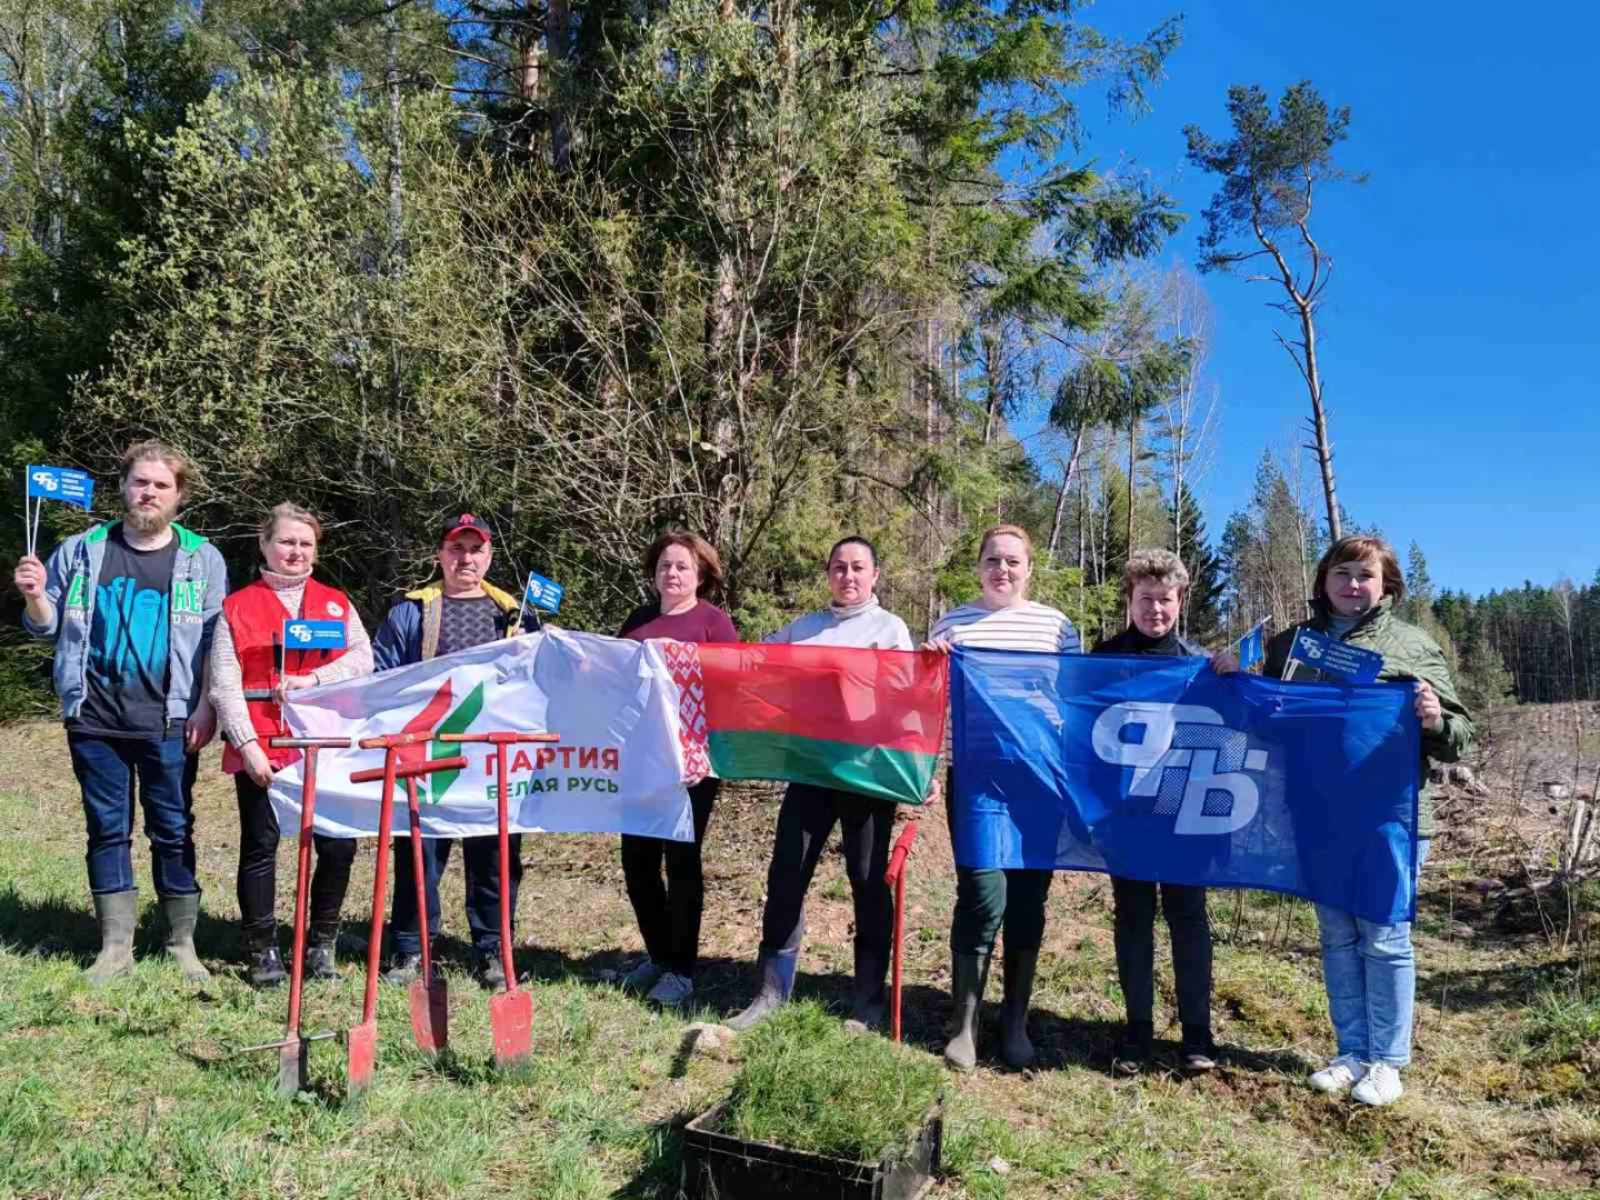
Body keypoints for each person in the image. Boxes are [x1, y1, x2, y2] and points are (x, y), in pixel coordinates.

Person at [1263, 535, 1473, 1107]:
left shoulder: (1412, 645)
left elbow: (1460, 738)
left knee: (1384, 937)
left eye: (1365, 576)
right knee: (1337, 937)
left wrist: (1434, 720)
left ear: (1387, 586)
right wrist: (1240, 680)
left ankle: (1388, 1062)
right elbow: (1264, 724)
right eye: (1342, 574)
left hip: (1392, 817)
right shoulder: (1290, 647)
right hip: (1320, 816)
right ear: (1323, 581)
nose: (1353, 585)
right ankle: (1351, 1052)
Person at [13, 440, 226, 986]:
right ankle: (115, 949)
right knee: (107, 829)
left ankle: (182, 944)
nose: (148, 492)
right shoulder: (82, 550)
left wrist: (206, 708)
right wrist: (36, 595)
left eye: (161, 484)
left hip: (171, 720)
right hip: (94, 717)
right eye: (140, 481)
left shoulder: (202, 558)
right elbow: (45, 624)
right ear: (124, 487)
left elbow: (214, 644)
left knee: (173, 830)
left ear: (179, 496)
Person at [727, 536, 916, 1032]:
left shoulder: (890, 630)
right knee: (787, 873)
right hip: (809, 771)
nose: (848, 576)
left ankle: (868, 1001)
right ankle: (770, 992)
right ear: (828, 574)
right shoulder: (804, 629)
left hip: (866, 775)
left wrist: (918, 774)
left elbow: (908, 702)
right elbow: (753, 664)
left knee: (868, 881)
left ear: (875, 575)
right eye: (838, 567)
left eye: (858, 568)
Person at [927, 523, 1081, 1071]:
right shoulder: (953, 624)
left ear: (1029, 568)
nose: (1003, 570)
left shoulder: (1056, 626)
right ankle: (964, 1023)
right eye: (993, 560)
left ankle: (1014, 1021)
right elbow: (931, 703)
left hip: (1040, 780)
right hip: (976, 777)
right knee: (981, 894)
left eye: (1014, 561)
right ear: (979, 566)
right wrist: (930, 661)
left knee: (1027, 900)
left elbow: (1079, 702)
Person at [209, 503, 374, 986]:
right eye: (286, 541)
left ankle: (321, 945)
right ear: (264, 545)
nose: (295, 552)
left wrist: (316, 678)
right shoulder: (237, 607)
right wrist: (247, 744)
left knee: (339, 847)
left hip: (327, 746)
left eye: (305, 544)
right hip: (262, 743)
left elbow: (363, 658)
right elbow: (223, 683)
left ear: (316, 551)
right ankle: (262, 951)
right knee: (261, 848)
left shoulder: (335, 603)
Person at [372, 514, 528, 988]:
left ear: (489, 557)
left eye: (475, 550)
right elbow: (381, 676)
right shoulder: (412, 613)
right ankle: (409, 950)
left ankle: (494, 952)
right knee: (419, 854)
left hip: (492, 759)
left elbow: (541, 685)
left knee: (496, 859)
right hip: (428, 752)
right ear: (440, 555)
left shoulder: (515, 616)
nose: (466, 559)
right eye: (456, 549)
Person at [1092, 548, 1221, 1074]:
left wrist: (1230, 677)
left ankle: (1197, 1034)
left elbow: (1223, 734)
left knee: (1188, 919)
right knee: (1134, 918)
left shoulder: (1200, 665)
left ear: (1180, 600)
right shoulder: (1100, 661)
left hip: (1183, 812)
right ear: (1130, 599)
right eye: (1146, 599)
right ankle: (1137, 1031)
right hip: (1126, 816)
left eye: (1165, 600)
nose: (1156, 610)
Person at [615, 530, 738, 1008]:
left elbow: (731, 689)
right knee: (637, 862)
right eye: (665, 565)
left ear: (700, 574)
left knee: (681, 862)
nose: (672, 574)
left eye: (682, 566)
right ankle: (659, 955)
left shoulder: (713, 623)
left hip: (692, 766)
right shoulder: (639, 620)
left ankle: (683, 970)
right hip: (640, 760)